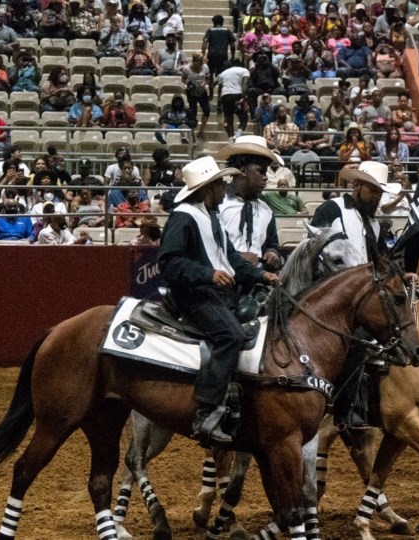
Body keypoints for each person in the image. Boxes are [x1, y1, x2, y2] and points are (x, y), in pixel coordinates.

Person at [159, 155, 278, 445]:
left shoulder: (209, 216)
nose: (224, 189)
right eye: (219, 184)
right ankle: (206, 410)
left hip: (216, 294)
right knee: (230, 335)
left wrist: (262, 276)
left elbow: (232, 259)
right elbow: (169, 263)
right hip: (195, 296)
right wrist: (208, 275)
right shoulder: (184, 217)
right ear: (206, 188)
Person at [311, 160, 399, 428]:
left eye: (380, 192)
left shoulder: (373, 224)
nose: (376, 197)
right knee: (359, 338)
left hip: (360, 297)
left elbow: (381, 259)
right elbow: (315, 246)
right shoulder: (332, 209)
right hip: (330, 292)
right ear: (357, 185)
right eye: (372, 190)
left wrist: (400, 274)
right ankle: (344, 407)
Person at [217, 135, 283, 270]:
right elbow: (209, 246)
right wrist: (236, 256)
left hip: (257, 279)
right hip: (222, 280)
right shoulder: (218, 204)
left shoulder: (266, 211)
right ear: (243, 170)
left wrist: (272, 252)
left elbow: (272, 244)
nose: (266, 178)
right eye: (261, 171)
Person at [203, 15, 236, 96]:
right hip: (223, 56)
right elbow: (232, 45)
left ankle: (211, 93)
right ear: (222, 22)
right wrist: (233, 55)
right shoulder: (227, 31)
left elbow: (205, 42)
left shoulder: (210, 30)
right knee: (222, 76)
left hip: (212, 55)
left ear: (213, 22)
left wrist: (203, 54)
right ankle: (220, 97)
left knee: (210, 74)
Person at [217, 58, 249, 138]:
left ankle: (231, 139)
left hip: (225, 96)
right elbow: (244, 85)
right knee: (244, 119)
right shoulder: (244, 70)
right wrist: (244, 98)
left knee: (228, 120)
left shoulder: (223, 73)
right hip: (237, 95)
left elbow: (219, 89)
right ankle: (237, 136)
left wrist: (219, 103)